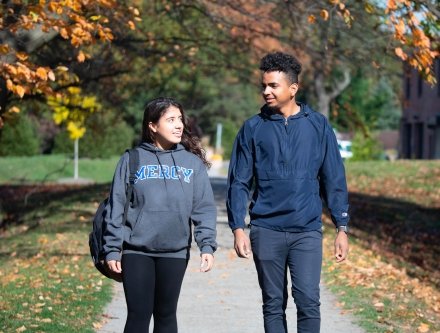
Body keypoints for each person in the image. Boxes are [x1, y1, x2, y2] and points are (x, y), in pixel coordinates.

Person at [226, 52, 349, 333]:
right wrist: (237, 227)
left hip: (306, 230)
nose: (266, 91)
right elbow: (239, 182)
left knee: (308, 300)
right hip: (265, 229)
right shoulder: (252, 129)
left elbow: (334, 177)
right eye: (264, 85)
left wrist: (342, 226)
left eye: (273, 86)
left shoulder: (318, 126)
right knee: (273, 303)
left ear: (293, 88)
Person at [103, 97, 217, 333]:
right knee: (138, 315)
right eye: (171, 120)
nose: (179, 125)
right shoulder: (131, 159)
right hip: (136, 251)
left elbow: (204, 208)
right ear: (152, 126)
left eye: (180, 120)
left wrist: (207, 245)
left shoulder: (192, 164)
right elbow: (116, 205)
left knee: (166, 316)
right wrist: (112, 247)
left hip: (175, 252)